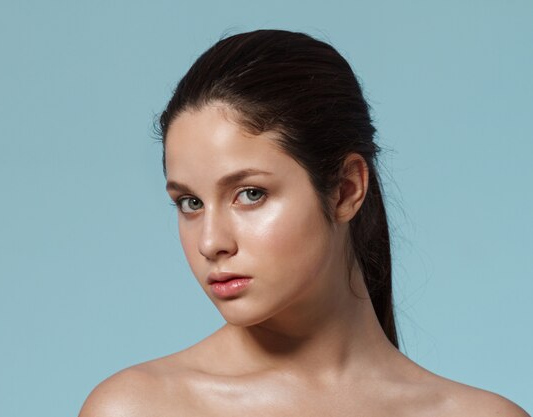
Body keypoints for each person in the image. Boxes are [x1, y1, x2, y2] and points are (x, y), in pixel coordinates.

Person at [79, 29, 528, 417]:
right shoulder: (138, 408)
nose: (211, 242)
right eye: (190, 203)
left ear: (346, 189)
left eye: (250, 194)